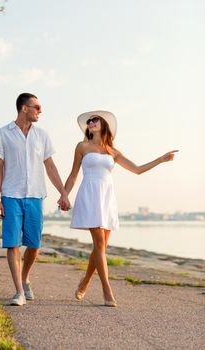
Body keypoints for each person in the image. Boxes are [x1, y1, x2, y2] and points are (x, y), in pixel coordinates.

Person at [64, 110, 178, 307]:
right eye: (89, 121)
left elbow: (137, 170)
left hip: (107, 197)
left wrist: (161, 159)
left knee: (101, 247)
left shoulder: (112, 151)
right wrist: (64, 194)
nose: (91, 122)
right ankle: (107, 290)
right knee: (99, 244)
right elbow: (74, 174)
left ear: (104, 125)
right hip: (90, 194)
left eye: (95, 120)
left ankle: (85, 281)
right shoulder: (81, 146)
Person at [0, 92, 70, 306]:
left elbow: (50, 166)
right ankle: (18, 291)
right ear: (24, 108)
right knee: (12, 244)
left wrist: (63, 192)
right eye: (37, 107)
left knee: (34, 244)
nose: (40, 111)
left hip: (35, 196)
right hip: (11, 195)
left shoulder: (42, 135)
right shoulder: (2, 134)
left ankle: (25, 278)